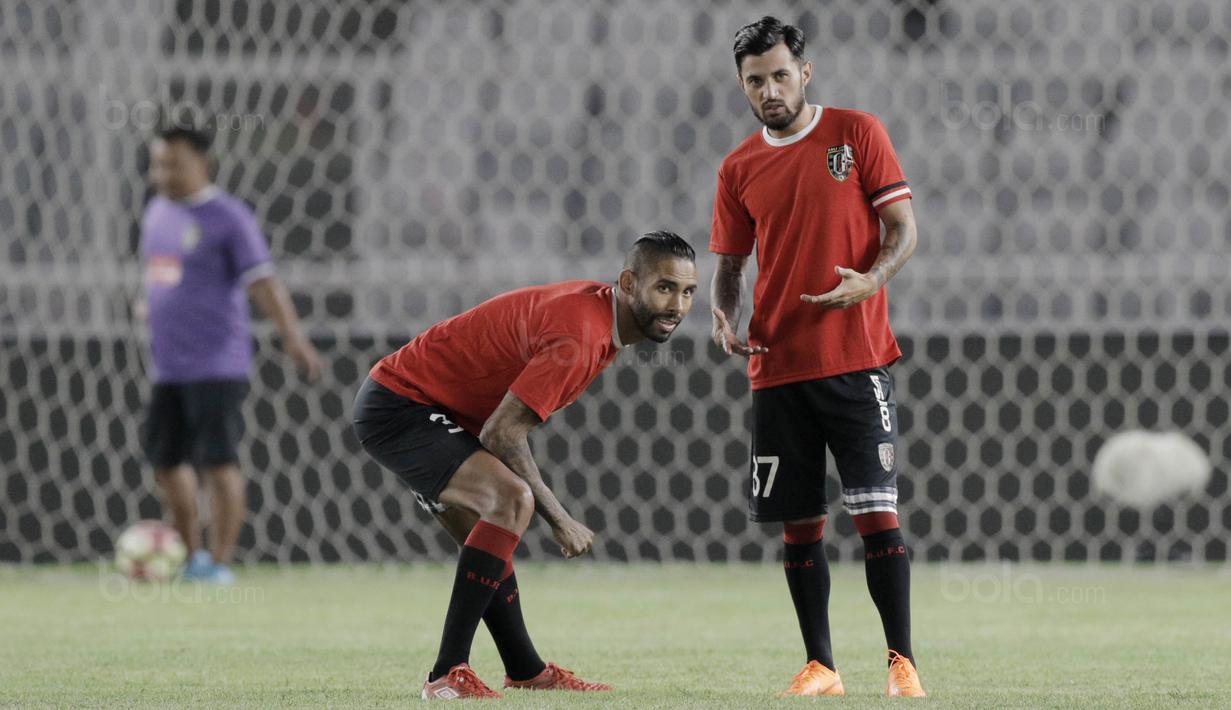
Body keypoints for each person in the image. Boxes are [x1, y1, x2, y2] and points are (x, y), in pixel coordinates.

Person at [353, 232, 697, 699]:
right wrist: (560, 518)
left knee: (487, 533)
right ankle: (444, 675)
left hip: (430, 408)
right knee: (513, 498)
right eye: (665, 288)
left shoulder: (599, 319)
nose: (677, 304)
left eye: (688, 292)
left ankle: (525, 670)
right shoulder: (583, 333)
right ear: (628, 282)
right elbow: (502, 433)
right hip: (403, 407)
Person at [709, 16, 925, 698]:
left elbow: (902, 229)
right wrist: (722, 309)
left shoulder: (856, 133)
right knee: (798, 524)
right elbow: (730, 261)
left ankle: (901, 662)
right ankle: (821, 666)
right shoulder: (738, 166)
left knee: (874, 513)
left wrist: (873, 280)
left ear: (805, 72)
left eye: (778, 75)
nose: (768, 90)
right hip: (776, 366)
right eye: (754, 81)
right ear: (741, 86)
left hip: (854, 360)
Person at [140, 122, 322, 585]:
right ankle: (191, 559)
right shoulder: (156, 213)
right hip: (167, 365)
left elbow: (263, 281)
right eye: (158, 163)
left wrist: (292, 337)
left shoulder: (229, 217)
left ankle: (220, 565)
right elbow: (164, 274)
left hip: (217, 362)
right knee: (166, 462)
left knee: (218, 459)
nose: (162, 172)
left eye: (173, 163)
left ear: (204, 164)